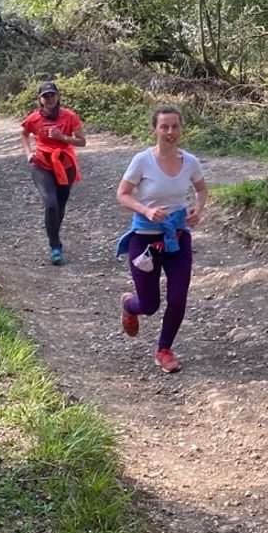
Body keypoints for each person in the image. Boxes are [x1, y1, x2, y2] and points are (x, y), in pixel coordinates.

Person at [115, 105, 209, 374]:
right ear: (154, 130)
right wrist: (146, 210)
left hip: (177, 237)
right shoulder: (142, 160)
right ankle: (129, 305)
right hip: (144, 239)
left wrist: (197, 210)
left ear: (181, 129)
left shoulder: (189, 161)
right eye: (164, 126)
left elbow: (201, 190)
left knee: (178, 298)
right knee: (149, 305)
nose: (170, 132)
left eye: (175, 126)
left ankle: (164, 350)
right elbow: (122, 194)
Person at [20, 80, 87, 266]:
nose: (49, 99)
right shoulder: (34, 118)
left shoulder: (69, 116)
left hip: (65, 165)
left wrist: (62, 137)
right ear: (40, 99)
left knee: (60, 204)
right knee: (50, 204)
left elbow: (82, 141)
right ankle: (55, 246)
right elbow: (24, 134)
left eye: (52, 95)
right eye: (45, 96)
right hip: (41, 164)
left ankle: (54, 237)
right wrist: (28, 153)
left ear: (58, 96)